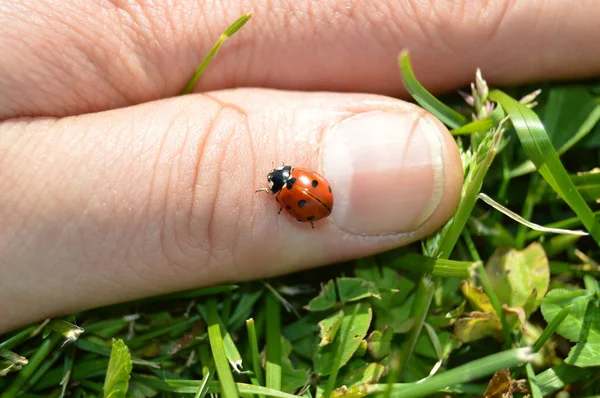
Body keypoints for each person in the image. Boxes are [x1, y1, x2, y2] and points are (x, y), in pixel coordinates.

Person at [0, 1, 595, 334]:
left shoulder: (296, 189)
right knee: (201, 180)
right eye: (284, 181)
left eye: (282, 181)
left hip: (322, 208)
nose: (284, 183)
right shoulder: (295, 189)